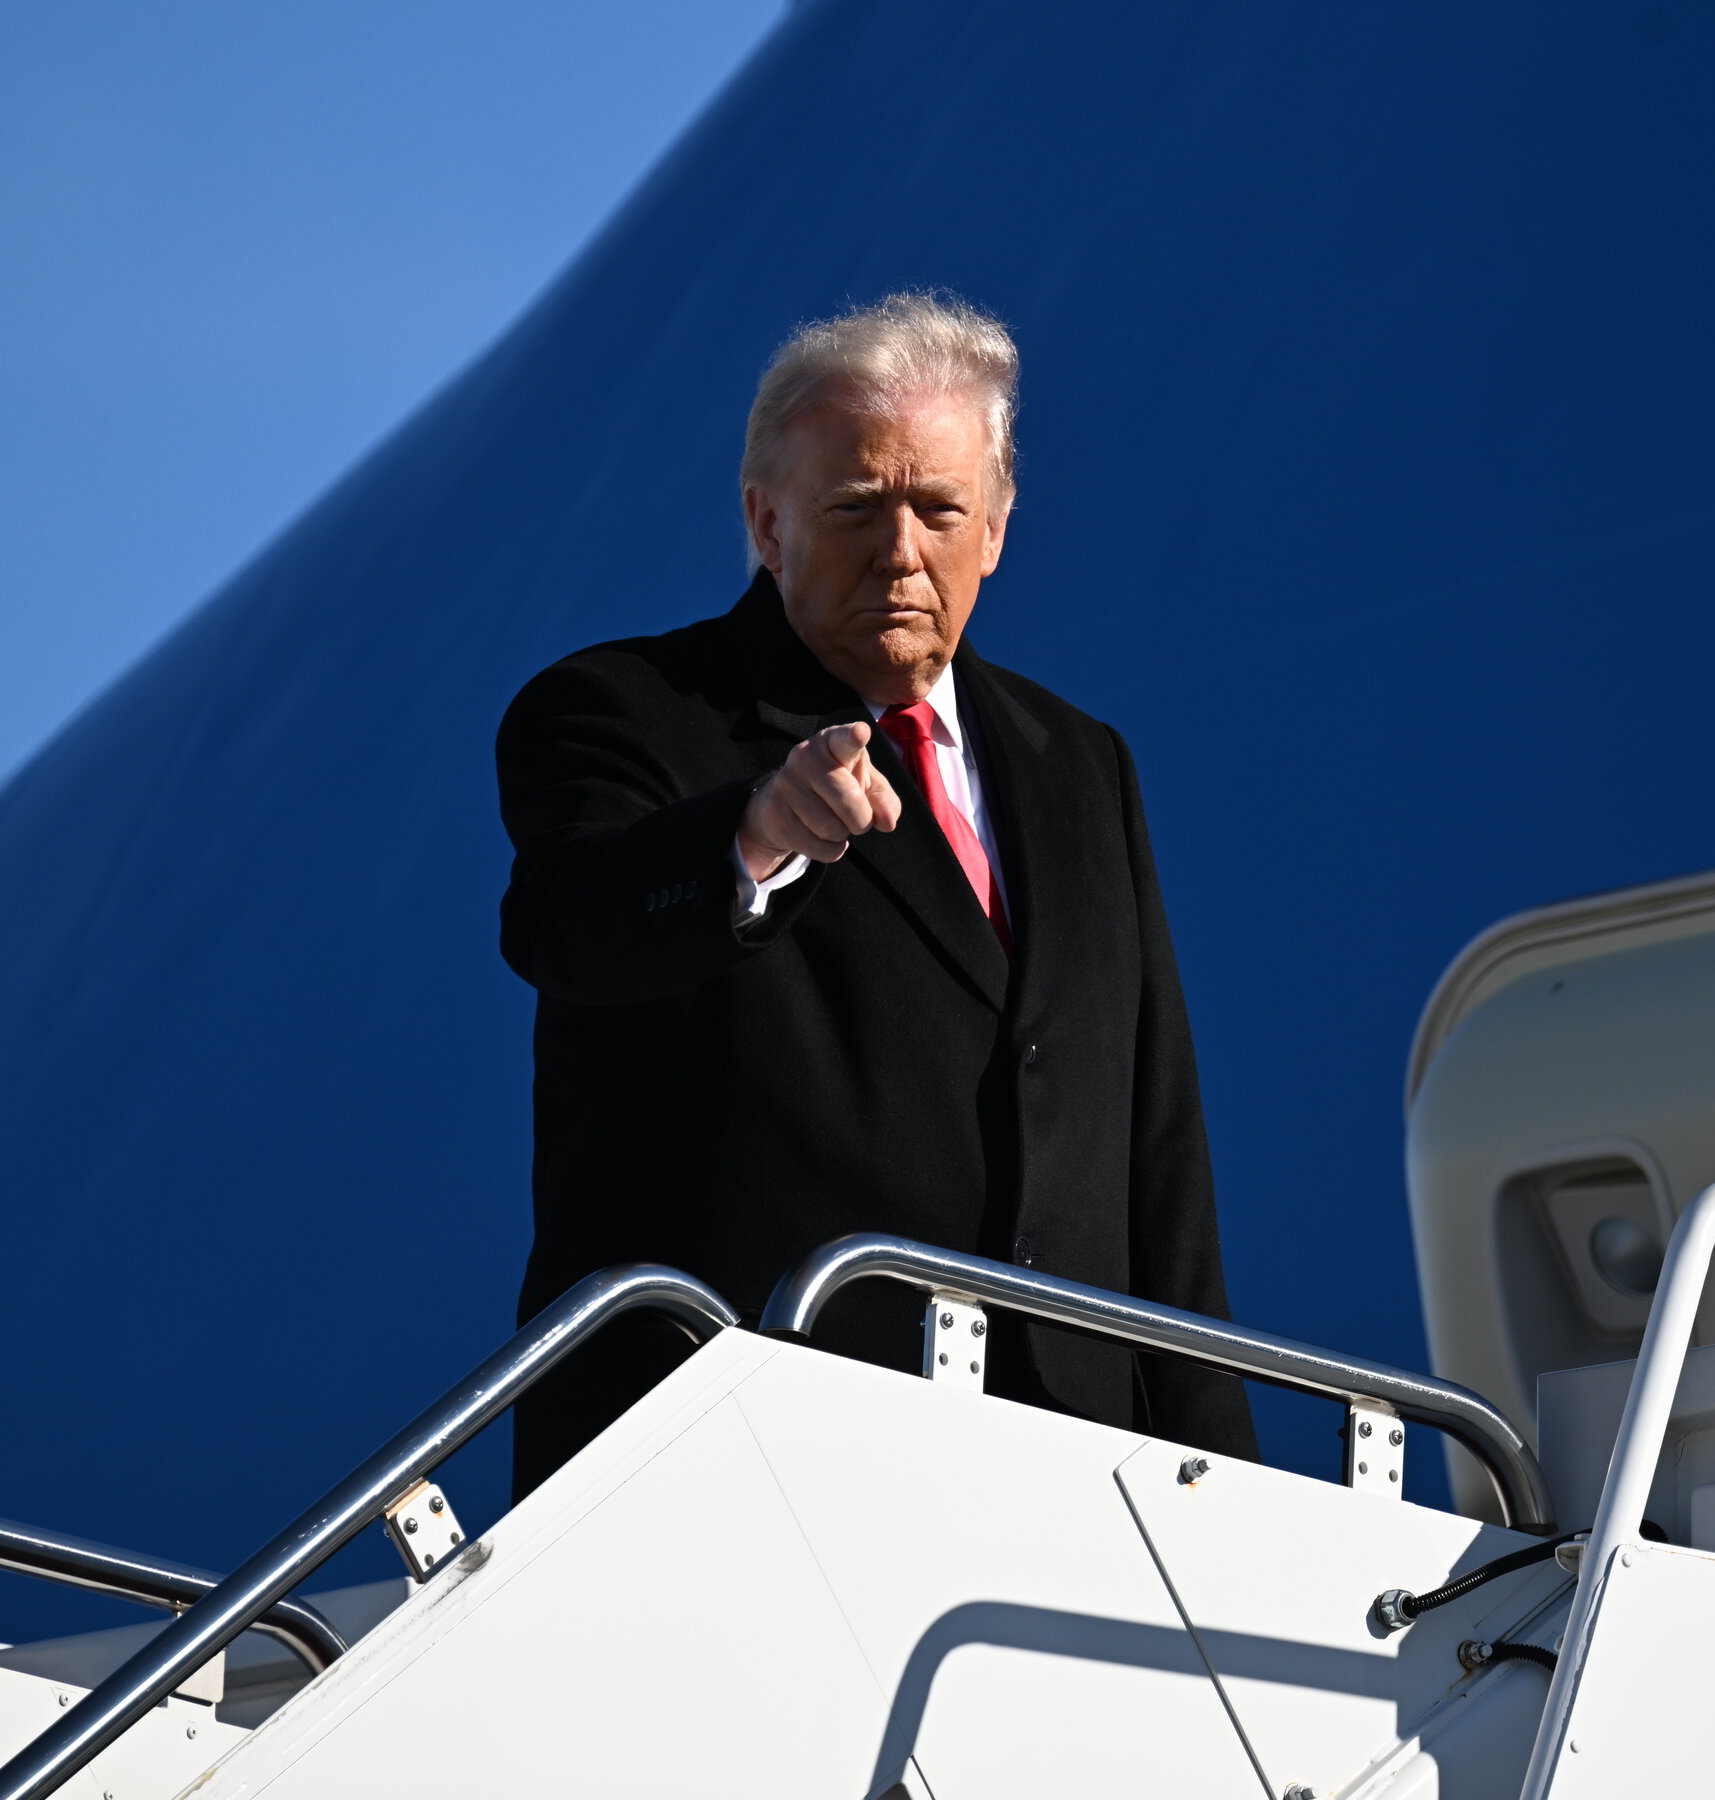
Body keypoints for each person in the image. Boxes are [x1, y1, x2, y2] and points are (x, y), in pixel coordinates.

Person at [497, 292, 1255, 1498]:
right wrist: (754, 838)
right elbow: (568, 925)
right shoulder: (622, 711)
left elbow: (1155, 1149)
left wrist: (1221, 1485)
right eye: (856, 507)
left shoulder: (1082, 765)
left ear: (995, 528)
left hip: (1075, 1473)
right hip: (748, 1457)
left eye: (940, 509)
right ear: (767, 523)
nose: (901, 552)